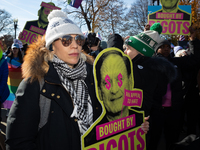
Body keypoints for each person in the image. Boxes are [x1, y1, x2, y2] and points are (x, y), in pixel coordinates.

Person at [5, 10, 103, 150]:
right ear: (52, 47)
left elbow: (104, 122)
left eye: (79, 39)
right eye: (66, 40)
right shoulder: (34, 85)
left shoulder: (93, 77)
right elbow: (19, 142)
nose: (75, 45)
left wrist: (135, 125)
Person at [124, 23, 177, 150]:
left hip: (140, 124)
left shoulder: (143, 71)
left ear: (141, 52)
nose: (125, 52)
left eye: (129, 49)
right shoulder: (152, 69)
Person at [84, 48, 149, 147]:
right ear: (99, 90)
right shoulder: (91, 137)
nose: (114, 90)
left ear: (130, 81)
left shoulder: (139, 120)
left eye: (120, 79)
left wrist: (141, 127)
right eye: (106, 82)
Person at [153, 25, 200, 149]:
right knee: (153, 139)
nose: (166, 49)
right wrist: (148, 34)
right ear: (157, 49)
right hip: (156, 109)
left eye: (168, 47)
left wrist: (193, 39)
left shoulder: (176, 62)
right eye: (162, 47)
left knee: (172, 140)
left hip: (174, 109)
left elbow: (195, 59)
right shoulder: (152, 63)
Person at [3, 43, 23, 110]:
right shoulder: (8, 59)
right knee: (10, 97)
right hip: (10, 82)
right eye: (13, 48)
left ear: (18, 49)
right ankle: (9, 112)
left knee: (18, 97)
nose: (15, 50)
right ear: (11, 49)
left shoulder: (22, 59)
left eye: (16, 48)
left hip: (19, 82)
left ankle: (17, 112)